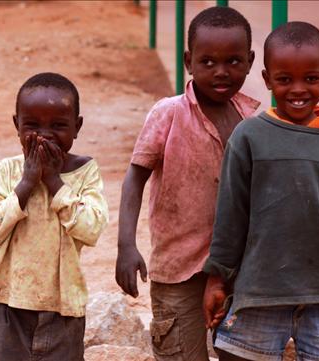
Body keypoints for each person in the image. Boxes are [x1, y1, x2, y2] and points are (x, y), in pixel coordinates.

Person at [203, 21, 319, 361]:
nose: (298, 90)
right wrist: (217, 280)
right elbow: (230, 217)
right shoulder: (249, 137)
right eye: (284, 80)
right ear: (268, 79)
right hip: (259, 292)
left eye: (311, 79)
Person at [115, 6, 259, 360]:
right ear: (188, 61)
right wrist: (126, 245)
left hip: (236, 271)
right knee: (180, 352)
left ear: (251, 61)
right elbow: (135, 179)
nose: (221, 72)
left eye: (234, 62)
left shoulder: (252, 121)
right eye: (207, 62)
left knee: (239, 353)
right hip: (177, 271)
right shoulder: (169, 113)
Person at [0, 72, 109, 361]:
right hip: (7, 304)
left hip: (62, 309)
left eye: (59, 125)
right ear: (17, 125)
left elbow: (92, 228)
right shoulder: (7, 172)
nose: (45, 135)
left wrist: (54, 182)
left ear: (77, 127)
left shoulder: (86, 173)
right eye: (32, 125)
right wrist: (25, 184)